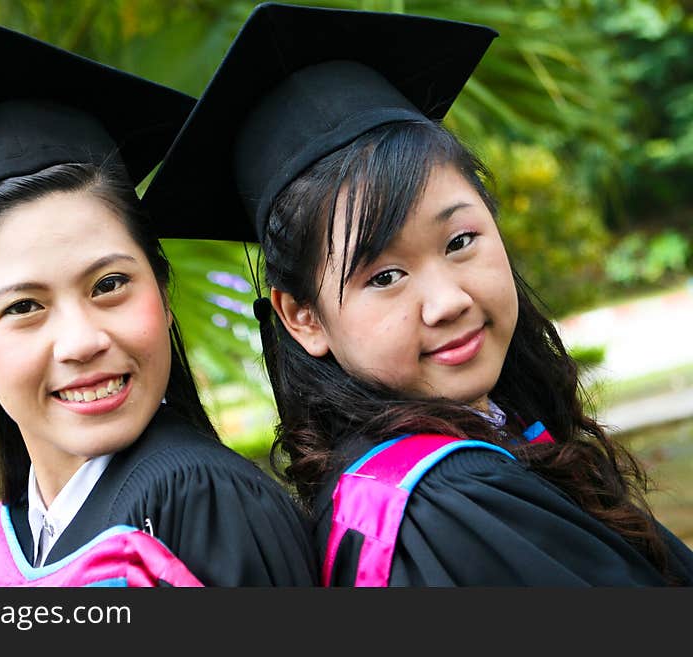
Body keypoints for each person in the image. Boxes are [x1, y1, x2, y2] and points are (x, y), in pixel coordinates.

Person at [143, 2, 693, 585]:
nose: (447, 300)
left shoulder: (468, 449)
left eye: (460, 240)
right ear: (303, 318)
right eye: (384, 277)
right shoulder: (450, 503)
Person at [0, 20, 317, 587]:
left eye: (108, 285)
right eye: (25, 307)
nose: (82, 342)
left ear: (163, 291)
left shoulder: (201, 502)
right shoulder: (2, 551)